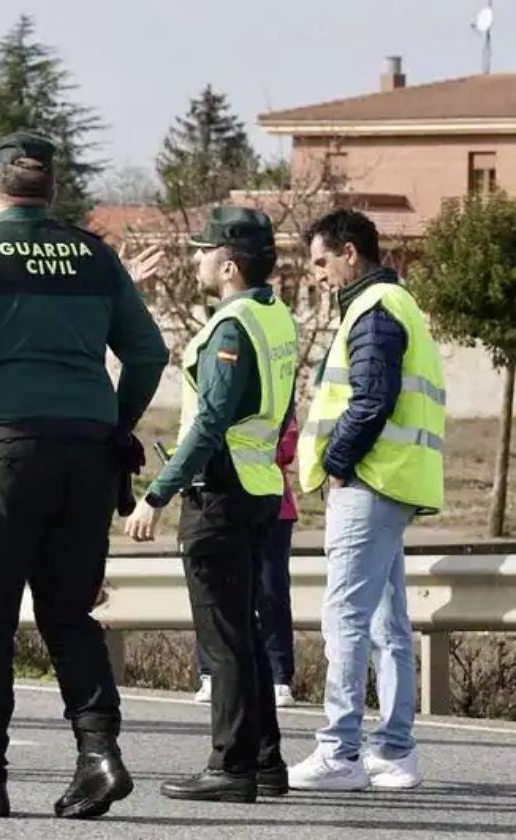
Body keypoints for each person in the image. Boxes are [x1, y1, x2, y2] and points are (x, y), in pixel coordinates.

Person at [0, 131, 169, 819]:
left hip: (3, 451)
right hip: (87, 454)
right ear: (52, 192)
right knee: (68, 613)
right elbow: (148, 352)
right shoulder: (93, 253)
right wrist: (113, 422)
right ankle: (99, 755)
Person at [125, 206, 298, 803]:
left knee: (223, 640)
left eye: (204, 251)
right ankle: (267, 763)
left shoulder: (230, 327)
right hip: (261, 490)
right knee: (245, 633)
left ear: (228, 265)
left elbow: (209, 423)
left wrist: (156, 494)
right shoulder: (277, 316)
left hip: (220, 495)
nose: (197, 259)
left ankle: (230, 767)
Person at [289, 209, 445, 792]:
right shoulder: (400, 305)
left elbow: (370, 399)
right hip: (397, 481)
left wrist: (335, 463)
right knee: (387, 622)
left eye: (321, 262)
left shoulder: (373, 312)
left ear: (349, 253)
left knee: (346, 618)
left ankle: (340, 750)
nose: (319, 275)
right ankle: (395, 752)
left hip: (369, 481)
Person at [194, 413, 299, 708]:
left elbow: (286, 445)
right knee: (215, 590)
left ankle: (279, 676)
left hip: (270, 504)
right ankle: (210, 672)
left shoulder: (275, 389)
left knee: (271, 592)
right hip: (220, 500)